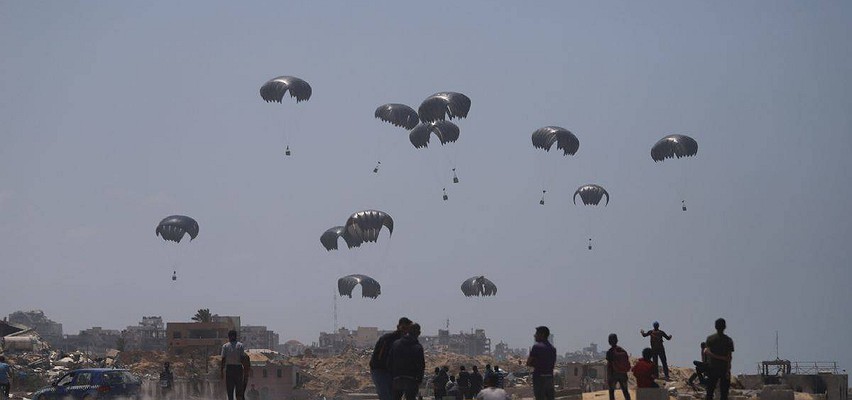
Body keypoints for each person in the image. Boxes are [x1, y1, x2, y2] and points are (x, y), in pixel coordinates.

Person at [371, 317, 413, 400]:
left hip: (393, 374)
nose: (405, 331)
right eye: (404, 328)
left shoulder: (405, 342)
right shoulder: (387, 339)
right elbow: (380, 358)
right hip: (380, 371)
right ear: (398, 327)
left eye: (407, 329)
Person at [388, 322, 425, 400]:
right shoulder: (417, 347)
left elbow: (389, 362)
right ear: (418, 333)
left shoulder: (396, 344)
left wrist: (392, 376)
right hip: (411, 380)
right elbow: (421, 366)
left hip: (396, 379)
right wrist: (419, 380)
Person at [704, 319, 734, 400]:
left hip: (712, 369)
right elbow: (729, 357)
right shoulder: (728, 340)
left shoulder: (710, 339)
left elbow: (706, 353)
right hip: (724, 369)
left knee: (709, 393)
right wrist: (728, 370)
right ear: (725, 327)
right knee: (724, 395)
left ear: (715, 327)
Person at [527, 326, 557, 400]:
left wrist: (536, 363)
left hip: (539, 378)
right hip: (550, 378)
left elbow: (528, 362)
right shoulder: (552, 349)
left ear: (542, 334)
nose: (535, 335)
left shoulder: (536, 347)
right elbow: (551, 363)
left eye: (536, 333)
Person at [221, 330, 247, 400]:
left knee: (230, 390)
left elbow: (223, 359)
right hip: (238, 369)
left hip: (229, 369)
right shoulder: (240, 345)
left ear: (229, 337)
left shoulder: (225, 346)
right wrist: (245, 369)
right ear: (236, 336)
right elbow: (242, 358)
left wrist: (221, 371)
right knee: (238, 390)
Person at [605, 334, 631, 400]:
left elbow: (609, 361)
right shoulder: (622, 351)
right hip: (623, 374)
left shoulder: (610, 352)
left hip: (613, 374)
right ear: (617, 340)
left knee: (611, 392)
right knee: (625, 391)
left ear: (609, 341)